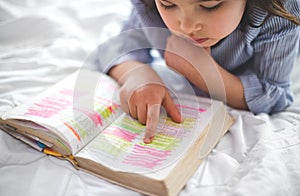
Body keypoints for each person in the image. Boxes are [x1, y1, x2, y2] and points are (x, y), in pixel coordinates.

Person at [96, 0, 300, 143]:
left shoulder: (280, 10)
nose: (186, 26)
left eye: (209, 6)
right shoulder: (148, 4)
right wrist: (136, 73)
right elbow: (120, 45)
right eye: (168, 4)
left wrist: (203, 72)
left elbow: (274, 94)